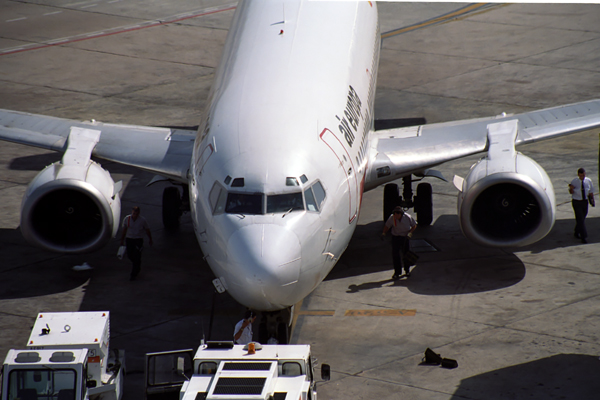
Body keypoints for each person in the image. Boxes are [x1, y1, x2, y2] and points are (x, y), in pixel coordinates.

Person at [381, 206, 417, 280]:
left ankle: (407, 270)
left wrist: (410, 233)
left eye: (397, 215)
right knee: (395, 255)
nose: (396, 216)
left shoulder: (407, 217)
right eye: (395, 214)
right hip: (396, 237)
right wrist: (384, 233)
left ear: (401, 214)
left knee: (406, 254)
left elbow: (414, 225)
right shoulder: (392, 218)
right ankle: (397, 272)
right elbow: (387, 226)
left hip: (405, 237)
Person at [120, 206, 153, 280]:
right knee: (129, 255)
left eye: (136, 214)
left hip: (138, 240)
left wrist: (150, 239)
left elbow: (147, 230)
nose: (135, 215)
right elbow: (124, 230)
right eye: (134, 213)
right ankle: (137, 265)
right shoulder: (127, 219)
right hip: (129, 239)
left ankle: (133, 273)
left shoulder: (142, 220)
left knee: (137, 255)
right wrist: (122, 240)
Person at [569, 168, 594, 244]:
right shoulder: (574, 181)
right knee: (580, 218)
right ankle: (584, 237)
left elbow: (591, 191)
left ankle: (576, 231)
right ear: (578, 175)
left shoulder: (588, 181)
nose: (582, 177)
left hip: (584, 201)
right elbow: (571, 192)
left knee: (582, 218)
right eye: (581, 175)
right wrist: (571, 189)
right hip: (577, 202)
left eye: (583, 175)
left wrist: (592, 200)